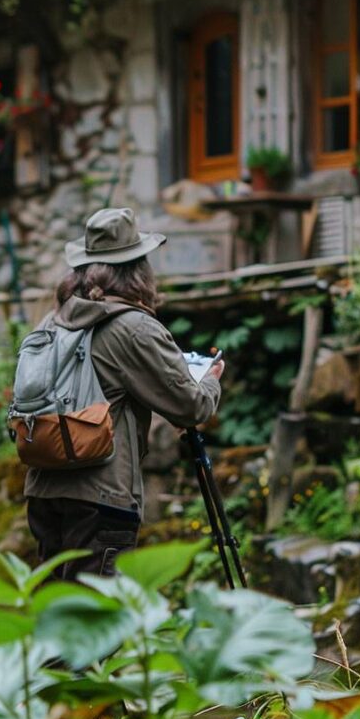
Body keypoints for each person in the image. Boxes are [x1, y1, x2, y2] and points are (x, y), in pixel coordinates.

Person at [25, 207, 224, 581]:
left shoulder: (51, 322)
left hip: (44, 489)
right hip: (103, 495)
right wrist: (211, 379)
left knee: (55, 616)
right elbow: (191, 406)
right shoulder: (133, 327)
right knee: (96, 626)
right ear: (138, 270)